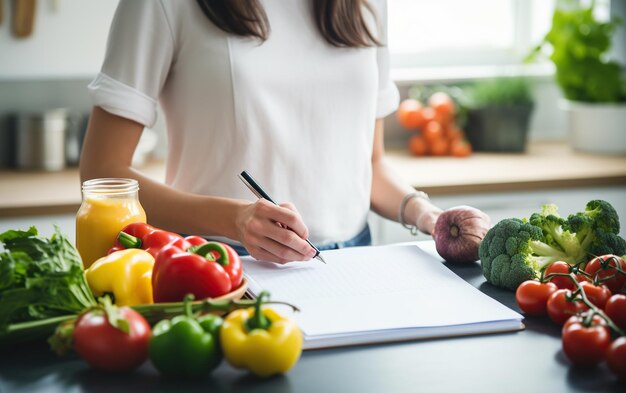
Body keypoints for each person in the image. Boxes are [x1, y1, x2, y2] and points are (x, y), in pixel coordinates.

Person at [80, 0, 443, 264]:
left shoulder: (368, 5)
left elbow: (370, 165)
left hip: (353, 264)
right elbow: (101, 171)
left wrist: (424, 213)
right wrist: (235, 220)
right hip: (218, 265)